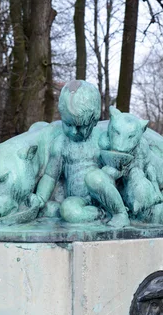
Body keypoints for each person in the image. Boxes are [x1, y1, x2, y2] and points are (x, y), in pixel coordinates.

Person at [30, 80, 130, 228]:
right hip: (79, 200)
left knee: (94, 178)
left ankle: (120, 213)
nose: (74, 132)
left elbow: (117, 165)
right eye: (68, 124)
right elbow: (50, 176)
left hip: (103, 192)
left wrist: (114, 172)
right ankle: (99, 214)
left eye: (81, 126)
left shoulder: (101, 139)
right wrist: (40, 198)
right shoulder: (60, 144)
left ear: (94, 121)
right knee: (67, 210)